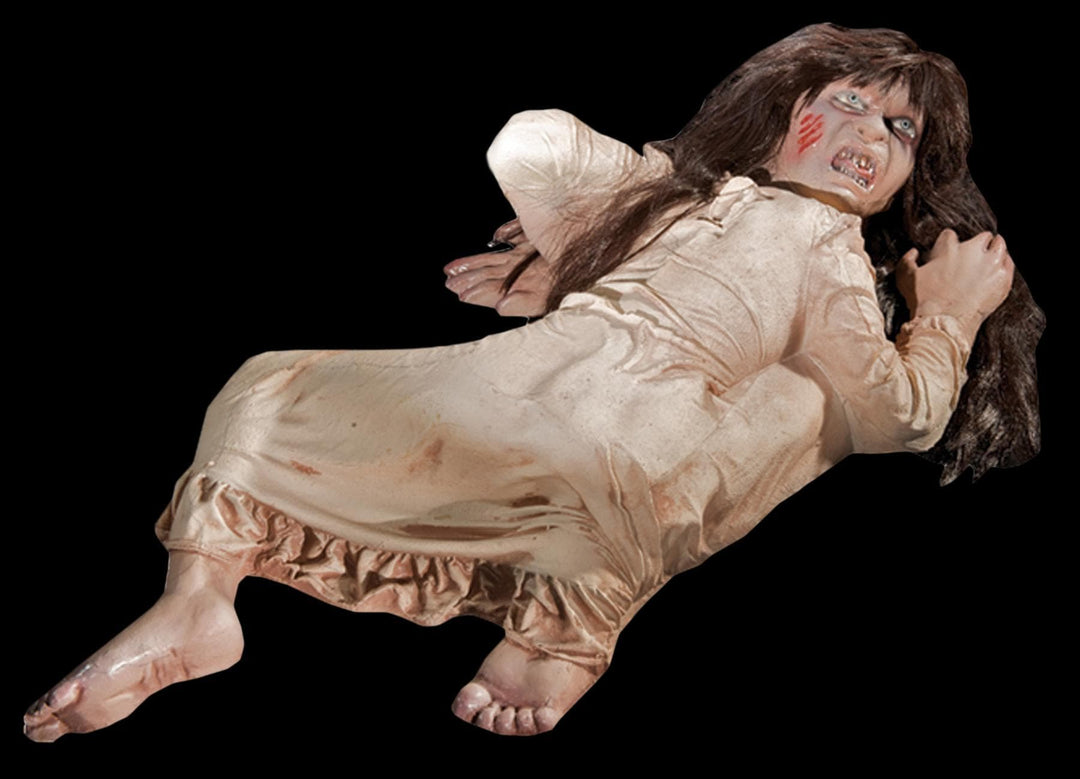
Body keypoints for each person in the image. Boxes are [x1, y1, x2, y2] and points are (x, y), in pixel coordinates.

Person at [24, 23, 1040, 740]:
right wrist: (597, 245)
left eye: (901, 130)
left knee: (776, 411)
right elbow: (532, 143)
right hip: (514, 385)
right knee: (271, 384)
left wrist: (947, 316)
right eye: (847, 102)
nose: (869, 134)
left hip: (627, 438)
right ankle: (198, 600)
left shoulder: (833, 257)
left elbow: (901, 414)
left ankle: (567, 624)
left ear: (906, 178)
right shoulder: (688, 197)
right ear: (785, 114)